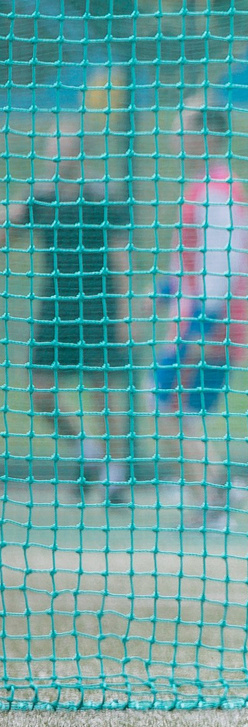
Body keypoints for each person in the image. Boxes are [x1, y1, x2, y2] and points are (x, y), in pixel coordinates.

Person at [6, 122, 135, 502]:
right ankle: (86, 450)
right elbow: (7, 229)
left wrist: (125, 315)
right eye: (54, 144)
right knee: (38, 387)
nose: (59, 152)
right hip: (57, 307)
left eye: (67, 145)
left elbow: (121, 258)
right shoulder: (40, 198)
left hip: (98, 306)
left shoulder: (101, 198)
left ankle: (115, 475)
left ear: (81, 151)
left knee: (103, 391)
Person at [152, 96, 248, 527]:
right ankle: (213, 492)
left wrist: (198, 326)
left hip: (209, 325)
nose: (177, 135)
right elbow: (188, 262)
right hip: (198, 321)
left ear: (208, 133)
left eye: (186, 127)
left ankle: (215, 497)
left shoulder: (218, 191)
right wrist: (160, 295)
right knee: (178, 413)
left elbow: (224, 267)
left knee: (169, 411)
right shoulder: (203, 186)